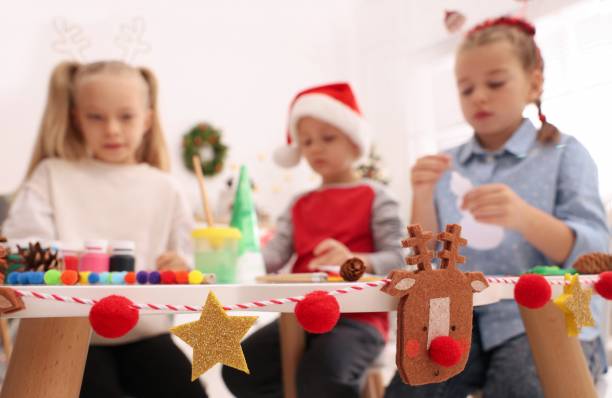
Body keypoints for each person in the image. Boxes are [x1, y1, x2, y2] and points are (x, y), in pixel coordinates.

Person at [385, 16, 609, 398]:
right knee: (414, 386)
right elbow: (429, 261)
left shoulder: (564, 154)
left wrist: (525, 218)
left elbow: (595, 255)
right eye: (466, 88)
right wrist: (422, 194)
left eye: (495, 83)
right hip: (456, 317)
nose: (479, 97)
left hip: (549, 318)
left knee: (522, 385)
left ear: (533, 83)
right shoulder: (445, 164)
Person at [2, 60, 206, 398]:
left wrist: (180, 267)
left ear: (147, 120)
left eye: (125, 116)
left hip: (145, 334)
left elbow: (189, 261)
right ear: (76, 119)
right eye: (96, 117)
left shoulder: (165, 188)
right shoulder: (52, 175)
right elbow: (22, 251)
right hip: (68, 334)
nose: (111, 129)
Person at [222, 82, 405, 398]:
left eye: (328, 138)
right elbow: (274, 255)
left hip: (359, 320)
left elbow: (399, 258)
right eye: (306, 142)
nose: (316, 148)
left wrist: (355, 261)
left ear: (354, 141)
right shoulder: (298, 204)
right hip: (298, 315)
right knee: (238, 368)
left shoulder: (376, 197)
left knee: (323, 375)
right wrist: (236, 256)